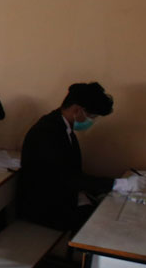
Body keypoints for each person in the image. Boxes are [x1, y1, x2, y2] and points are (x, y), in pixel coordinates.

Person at [19, 82, 132, 232]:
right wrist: (117, 184)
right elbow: (67, 178)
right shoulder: (46, 132)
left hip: (62, 196)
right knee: (108, 224)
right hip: (45, 207)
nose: (92, 120)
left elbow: (72, 172)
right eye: (92, 116)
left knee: (112, 211)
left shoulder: (62, 126)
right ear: (77, 110)